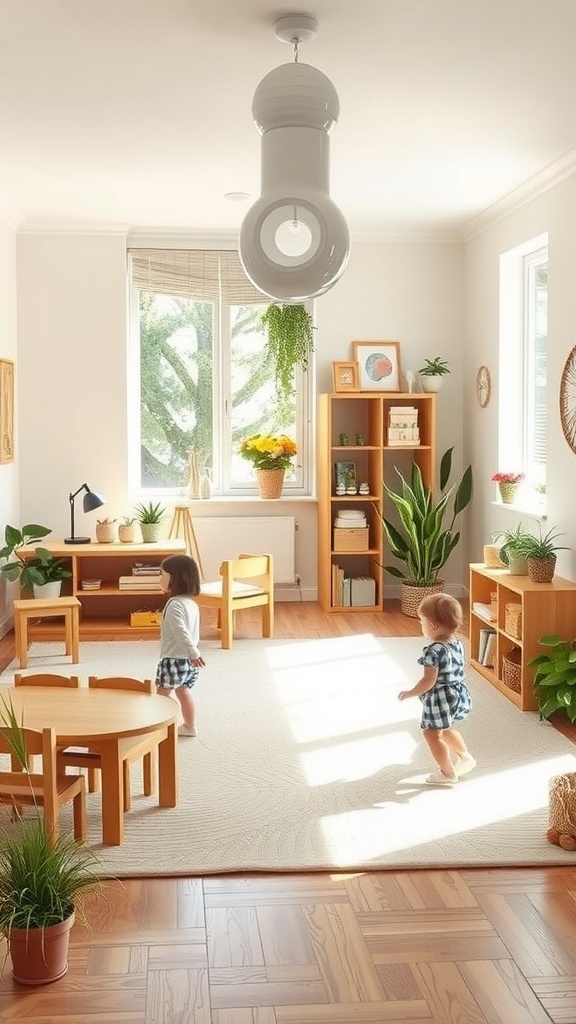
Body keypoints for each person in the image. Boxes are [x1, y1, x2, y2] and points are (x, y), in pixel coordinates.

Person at [398, 592, 475, 786]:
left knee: (431, 733)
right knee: (446, 728)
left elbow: (428, 681)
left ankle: (447, 773)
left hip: (440, 697)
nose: (421, 625)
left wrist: (410, 693)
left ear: (432, 624)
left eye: (421, 621)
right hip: (456, 694)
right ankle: (465, 757)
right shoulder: (457, 643)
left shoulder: (433, 651)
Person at [156, 554, 205, 737]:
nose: (159, 579)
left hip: (174, 660)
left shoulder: (175, 604)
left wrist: (193, 652)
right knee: (183, 691)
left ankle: (158, 728)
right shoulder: (191, 603)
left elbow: (181, 632)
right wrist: (193, 654)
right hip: (187, 661)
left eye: (162, 575)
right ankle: (190, 726)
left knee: (161, 696)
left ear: (175, 578)